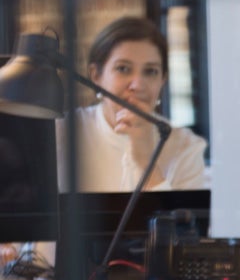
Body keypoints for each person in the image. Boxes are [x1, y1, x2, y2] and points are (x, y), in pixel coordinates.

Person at [62, 16, 208, 192]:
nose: (138, 85)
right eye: (123, 68)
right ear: (96, 76)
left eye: (150, 71)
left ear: (162, 80)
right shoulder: (61, 133)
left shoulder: (187, 147)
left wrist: (146, 160)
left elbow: (184, 219)